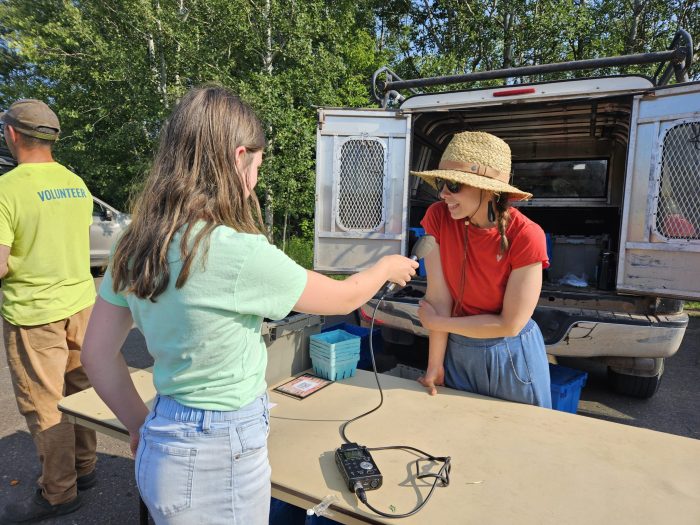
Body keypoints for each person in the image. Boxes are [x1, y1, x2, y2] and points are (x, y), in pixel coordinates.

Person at [80, 85, 418, 525]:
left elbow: (97, 354)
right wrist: (384, 268)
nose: (257, 175)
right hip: (218, 452)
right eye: (257, 163)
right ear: (240, 157)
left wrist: (138, 425)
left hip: (164, 438)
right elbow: (343, 297)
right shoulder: (236, 251)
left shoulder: (133, 242)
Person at [0, 100, 97, 523]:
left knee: (45, 403)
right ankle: (85, 467)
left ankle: (59, 493)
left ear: (12, 134)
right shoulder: (76, 184)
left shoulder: (7, 189)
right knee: (82, 391)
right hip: (81, 304)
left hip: (35, 312)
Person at [412, 131, 552, 408]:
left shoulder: (526, 235)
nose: (443, 194)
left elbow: (509, 324)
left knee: (519, 441)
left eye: (454, 184)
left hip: (511, 355)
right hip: (459, 349)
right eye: (442, 182)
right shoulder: (438, 217)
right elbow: (439, 298)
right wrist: (435, 365)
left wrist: (438, 324)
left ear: (489, 190)